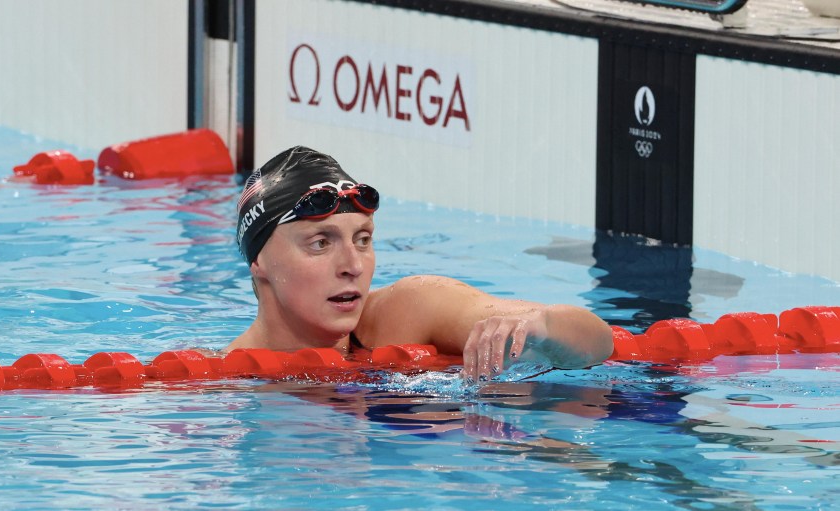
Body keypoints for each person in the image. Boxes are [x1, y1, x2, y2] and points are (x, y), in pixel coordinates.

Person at [225, 146, 613, 381]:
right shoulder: (211, 381)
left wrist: (541, 327)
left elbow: (597, 341)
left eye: (363, 239)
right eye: (321, 243)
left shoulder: (410, 310)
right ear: (259, 260)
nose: (353, 266)